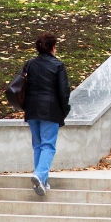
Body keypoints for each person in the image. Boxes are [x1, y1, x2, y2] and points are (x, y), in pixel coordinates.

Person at [23, 32, 71, 196]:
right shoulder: (58, 65)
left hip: (31, 109)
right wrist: (64, 112)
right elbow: (64, 92)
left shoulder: (30, 64)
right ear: (53, 47)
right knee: (48, 146)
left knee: (38, 146)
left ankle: (41, 182)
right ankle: (39, 175)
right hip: (50, 111)